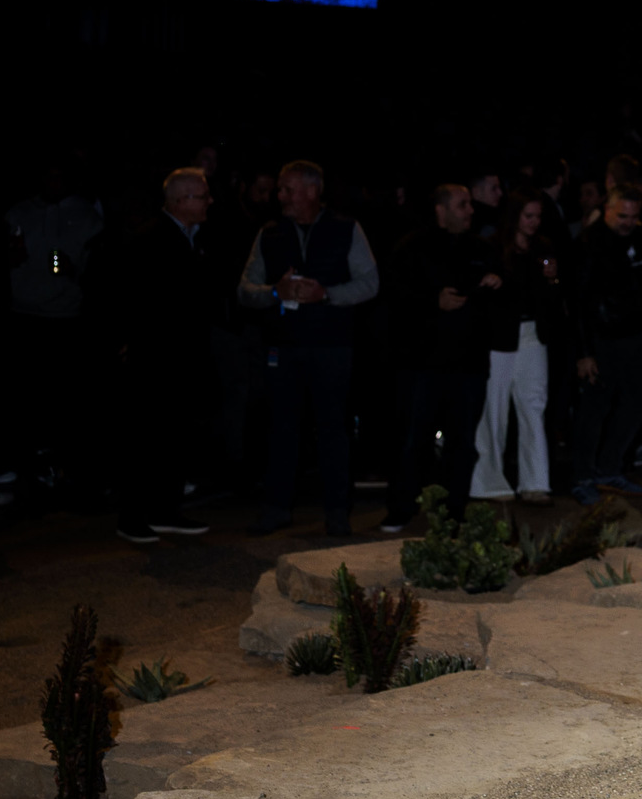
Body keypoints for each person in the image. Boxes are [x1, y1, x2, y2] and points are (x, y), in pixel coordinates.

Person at [239, 160, 380, 536]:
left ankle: (337, 512)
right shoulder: (269, 233)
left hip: (332, 345)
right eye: (280, 190)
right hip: (283, 347)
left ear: (313, 191)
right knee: (282, 428)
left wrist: (327, 294)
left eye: (288, 189)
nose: (280, 196)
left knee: (333, 428)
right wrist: (274, 292)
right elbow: (245, 290)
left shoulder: (345, 228)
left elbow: (369, 282)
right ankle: (276, 508)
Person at [108, 166, 225, 540]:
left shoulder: (193, 238)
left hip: (181, 357)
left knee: (175, 436)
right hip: (157, 359)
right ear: (180, 201)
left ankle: (164, 509)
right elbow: (133, 299)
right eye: (203, 196)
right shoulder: (152, 239)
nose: (210, 201)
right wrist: (132, 346)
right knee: (145, 437)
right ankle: (132, 516)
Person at [383, 184, 492, 531]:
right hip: (422, 364)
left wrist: (496, 285)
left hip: (468, 364)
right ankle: (401, 507)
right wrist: (433, 302)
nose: (470, 211)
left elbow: (500, 298)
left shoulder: (481, 249)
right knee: (413, 439)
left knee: (462, 443)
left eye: (470, 205)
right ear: (441, 210)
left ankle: (452, 512)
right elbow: (394, 299)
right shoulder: (412, 248)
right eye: (462, 205)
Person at [0, 157, 104, 498]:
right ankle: (26, 464)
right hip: (24, 314)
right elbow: (3, 257)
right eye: (49, 177)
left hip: (66, 317)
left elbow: (97, 270)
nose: (54, 183)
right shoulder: (18, 213)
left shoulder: (87, 215)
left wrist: (74, 272)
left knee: (64, 397)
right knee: (26, 395)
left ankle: (64, 465)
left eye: (61, 177)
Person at [470, 187, 562, 502]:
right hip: (500, 336)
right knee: (494, 409)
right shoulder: (494, 246)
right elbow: (485, 292)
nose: (534, 222)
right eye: (529, 215)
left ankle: (535, 482)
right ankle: (489, 483)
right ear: (515, 216)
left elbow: (550, 298)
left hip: (533, 334)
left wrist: (551, 279)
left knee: (533, 405)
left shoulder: (542, 247)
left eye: (538, 216)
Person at [568, 181, 642, 499]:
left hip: (632, 338)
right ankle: (581, 476)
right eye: (622, 215)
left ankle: (609, 468)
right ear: (607, 210)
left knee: (635, 403)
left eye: (633, 216)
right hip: (601, 340)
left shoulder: (641, 238)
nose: (627, 222)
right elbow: (577, 302)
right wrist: (584, 352)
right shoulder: (589, 243)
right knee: (593, 410)